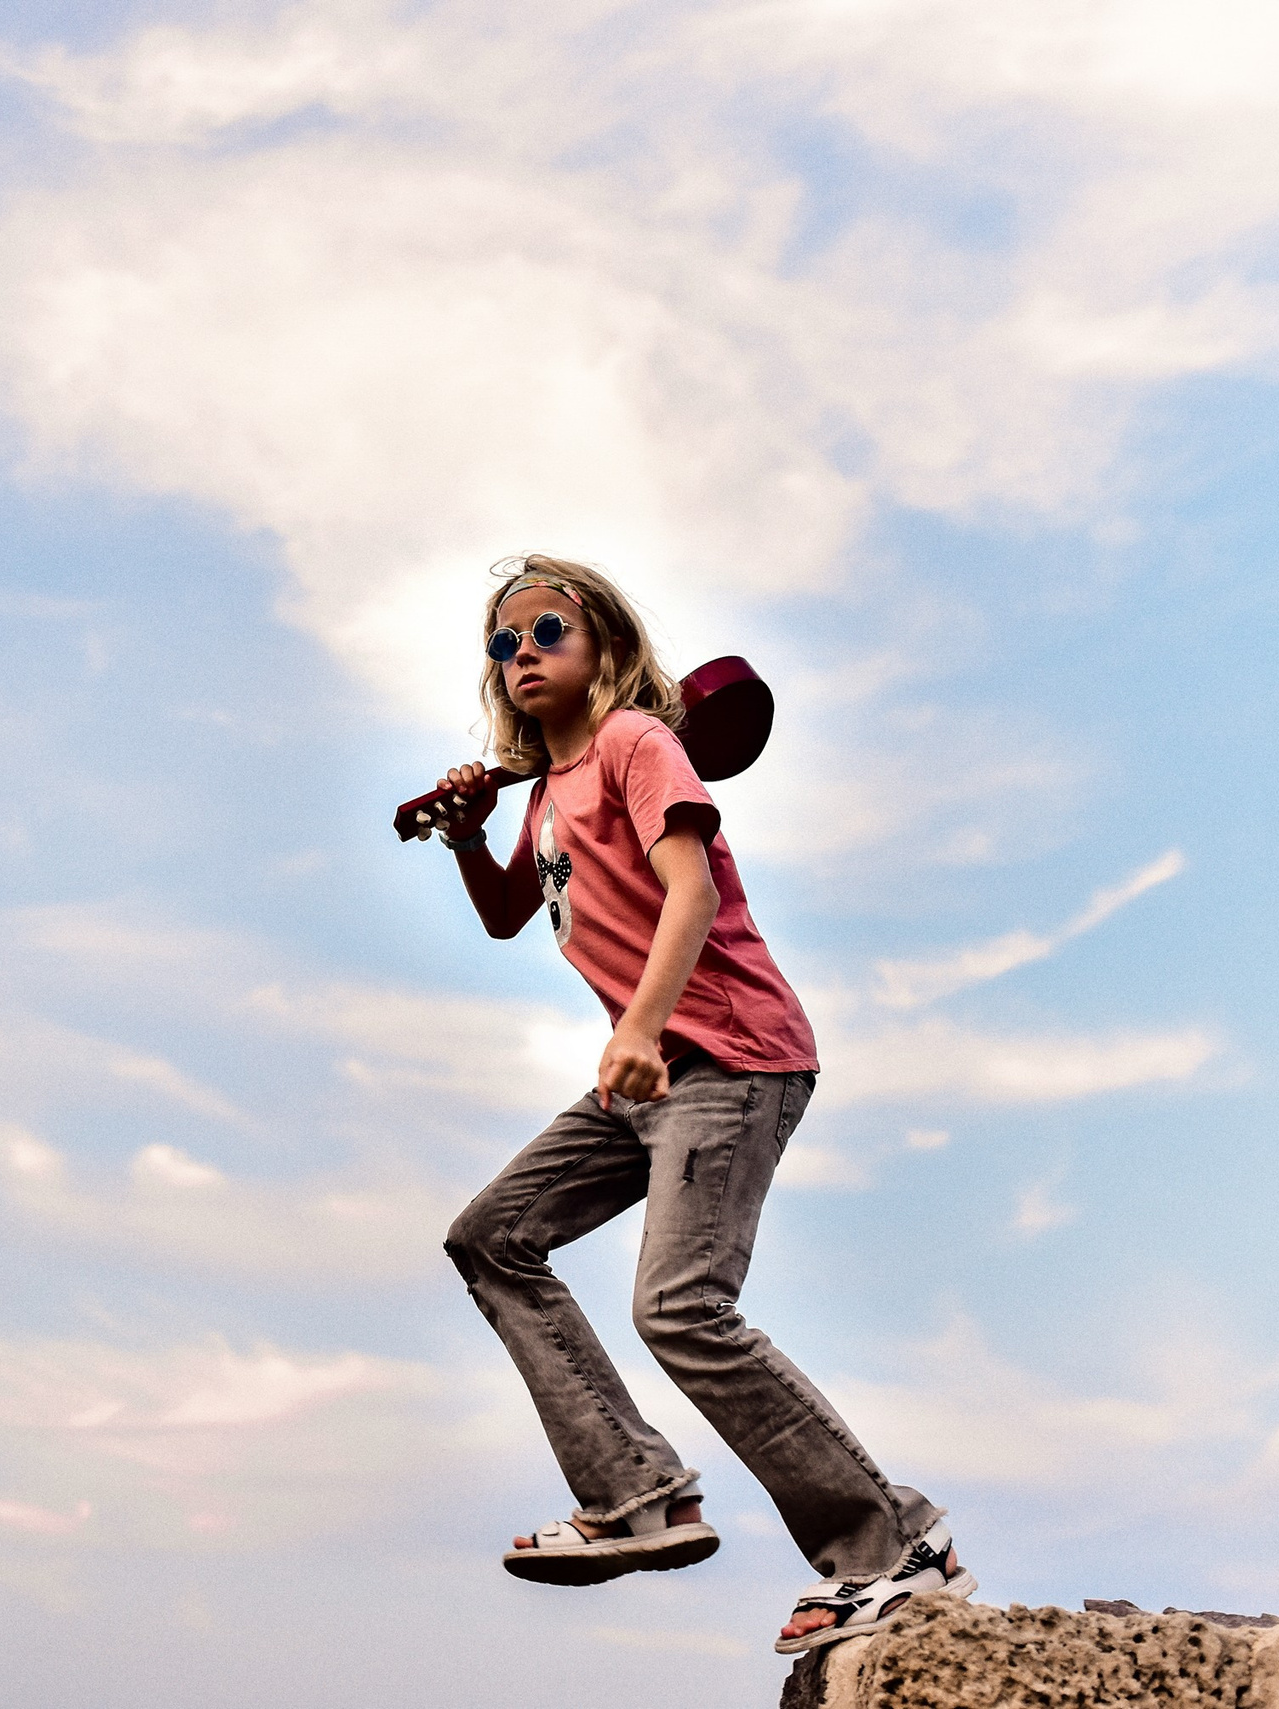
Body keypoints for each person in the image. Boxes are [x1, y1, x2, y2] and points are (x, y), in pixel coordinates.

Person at [428, 555, 973, 1655]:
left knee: (679, 1304)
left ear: (603, 646)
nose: (522, 654)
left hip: (728, 1057)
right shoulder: (542, 792)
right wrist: (467, 837)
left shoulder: (637, 742)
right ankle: (636, 1492)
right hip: (646, 1077)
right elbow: (507, 914)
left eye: (544, 631)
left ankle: (893, 1542)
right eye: (502, 644)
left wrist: (635, 1026)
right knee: (491, 1236)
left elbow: (695, 886)